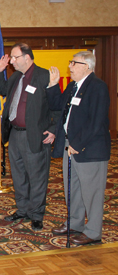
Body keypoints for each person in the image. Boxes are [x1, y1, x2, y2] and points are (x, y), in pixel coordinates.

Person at [0, 43, 61, 231]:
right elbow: (3, 90)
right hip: (14, 134)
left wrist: (54, 129)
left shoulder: (44, 76)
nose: (11, 62)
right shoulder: (16, 76)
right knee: (19, 175)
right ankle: (22, 210)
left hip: (35, 136)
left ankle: (36, 214)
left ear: (27, 57)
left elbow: (57, 106)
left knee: (37, 177)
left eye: (15, 58)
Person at [47, 51, 110, 245]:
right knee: (72, 188)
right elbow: (58, 105)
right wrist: (53, 85)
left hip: (88, 149)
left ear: (88, 66)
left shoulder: (98, 87)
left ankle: (92, 233)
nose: (70, 66)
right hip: (70, 145)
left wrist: (77, 144)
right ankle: (75, 223)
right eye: (70, 62)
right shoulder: (74, 86)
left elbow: (96, 121)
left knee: (91, 192)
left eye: (74, 63)